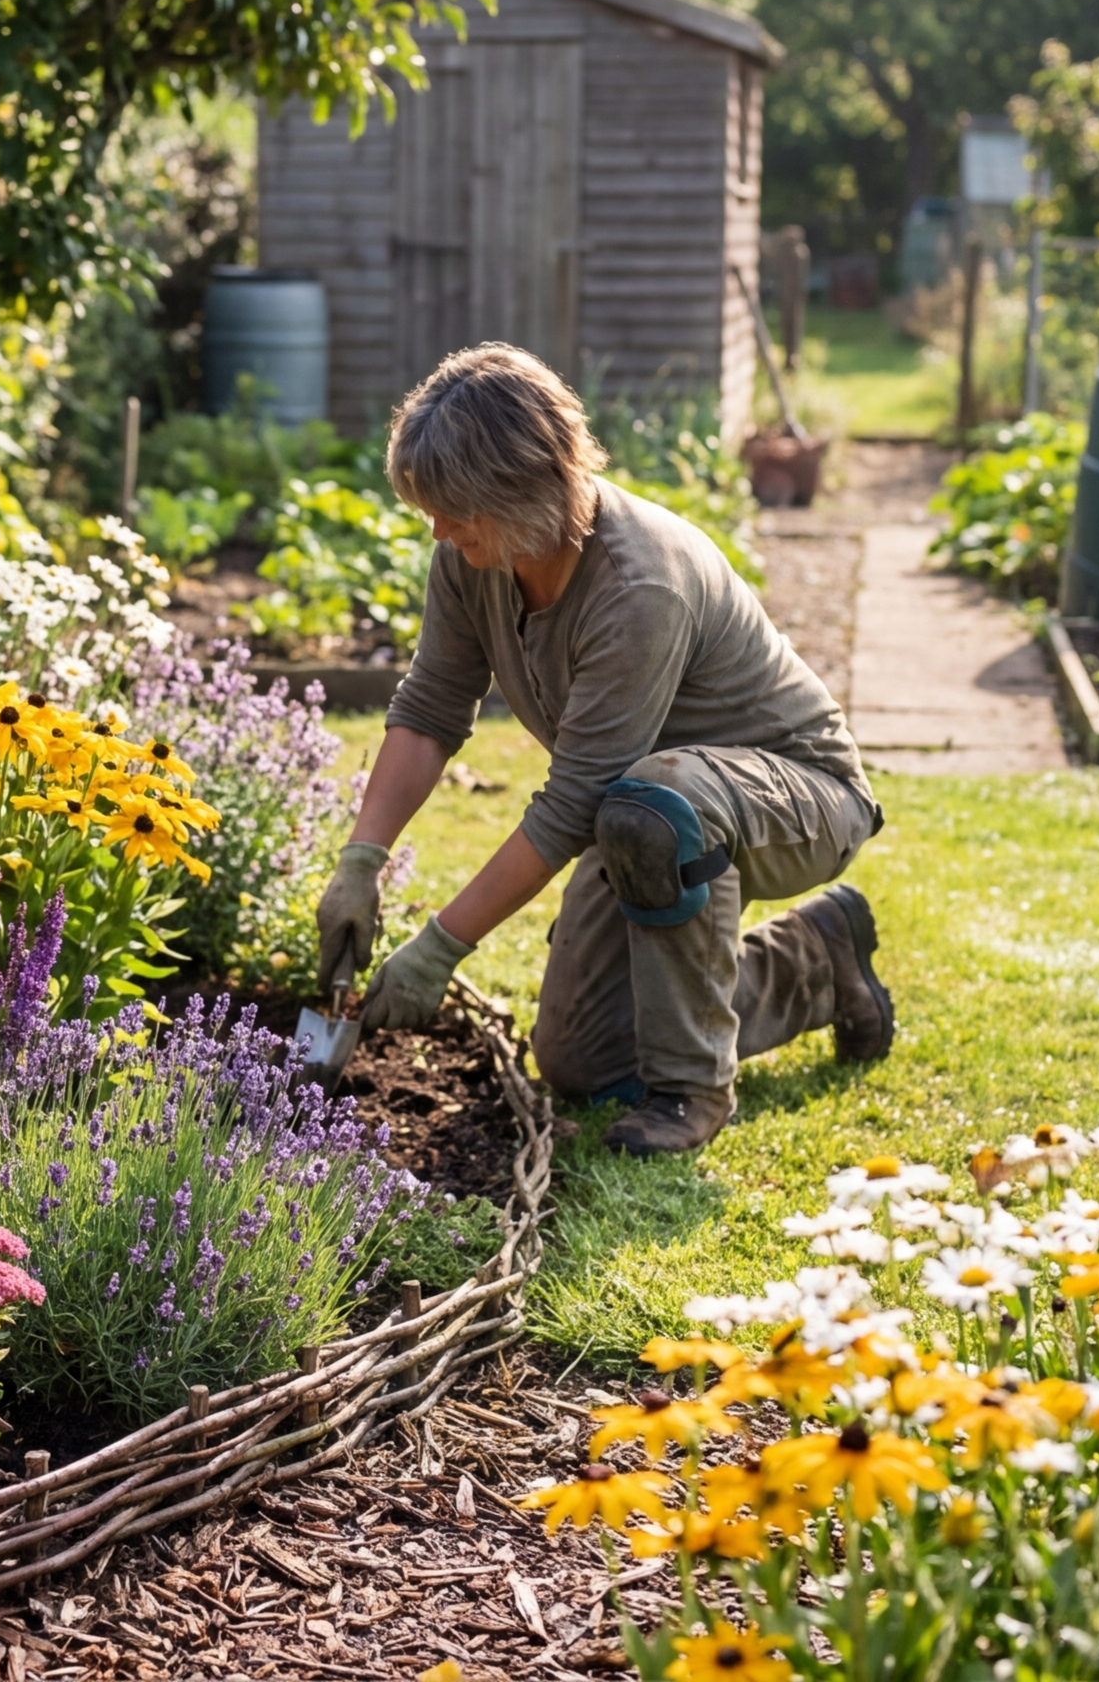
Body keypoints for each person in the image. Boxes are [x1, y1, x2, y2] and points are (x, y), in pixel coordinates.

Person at [313, 343, 893, 1155]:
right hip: (646, 805)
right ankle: (819, 962)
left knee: (652, 807)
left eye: (455, 510)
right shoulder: (474, 558)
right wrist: (361, 861)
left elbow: (576, 804)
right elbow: (432, 707)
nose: (439, 530)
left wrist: (439, 947)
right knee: (582, 1059)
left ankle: (691, 1088)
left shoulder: (637, 584)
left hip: (797, 796)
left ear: (524, 490)